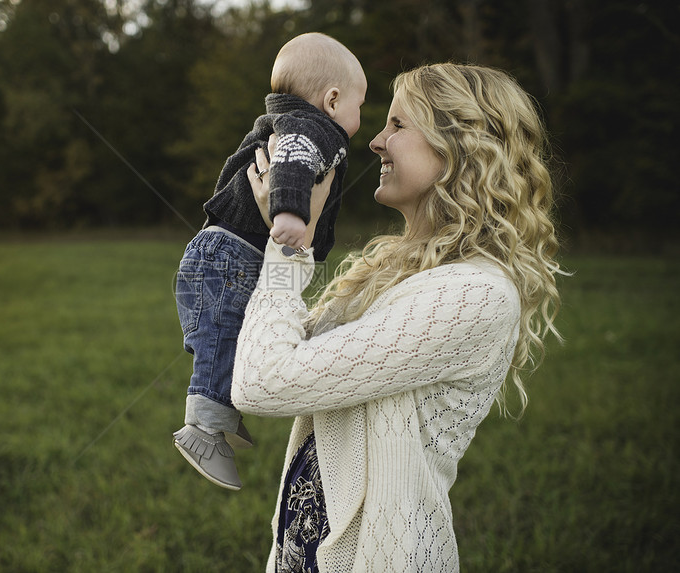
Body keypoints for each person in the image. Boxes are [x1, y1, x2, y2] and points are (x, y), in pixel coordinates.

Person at [233, 63, 563, 572]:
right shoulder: (392, 269)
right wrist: (281, 217)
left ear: (460, 148)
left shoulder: (475, 293)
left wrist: (287, 249)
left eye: (398, 125)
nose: (376, 141)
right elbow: (272, 343)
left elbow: (265, 381)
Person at [173, 32, 368, 491]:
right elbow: (293, 162)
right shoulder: (313, 128)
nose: (362, 119)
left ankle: (222, 404)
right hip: (231, 255)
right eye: (361, 105)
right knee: (221, 337)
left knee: (235, 335)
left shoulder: (286, 119)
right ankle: (203, 428)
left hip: (221, 253)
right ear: (333, 99)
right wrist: (289, 215)